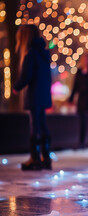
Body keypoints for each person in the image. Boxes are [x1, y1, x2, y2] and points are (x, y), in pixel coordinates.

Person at [13, 24, 52, 170]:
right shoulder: (44, 53)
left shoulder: (30, 54)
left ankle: (35, 159)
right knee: (42, 124)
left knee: (34, 126)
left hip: (34, 95)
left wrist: (16, 87)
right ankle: (46, 158)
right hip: (43, 94)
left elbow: (26, 76)